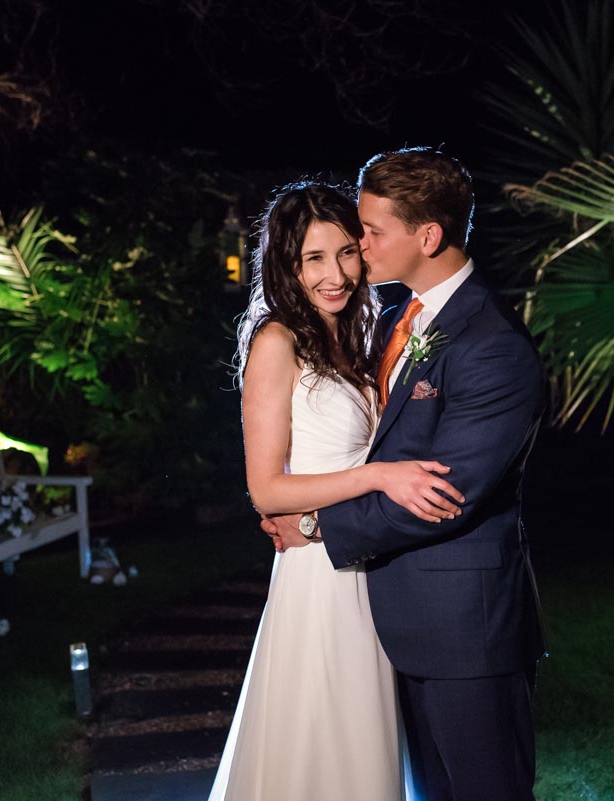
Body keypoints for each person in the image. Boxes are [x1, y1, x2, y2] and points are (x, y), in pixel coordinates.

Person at [263, 147, 547, 801]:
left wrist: (313, 522)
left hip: (466, 630)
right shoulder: (400, 318)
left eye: (371, 231)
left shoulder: (492, 345)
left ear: (429, 235)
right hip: (399, 621)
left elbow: (445, 495)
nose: (358, 245)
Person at [208, 181, 464, 801]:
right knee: (319, 746)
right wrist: (376, 477)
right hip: (318, 580)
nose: (337, 274)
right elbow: (266, 488)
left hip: (370, 565)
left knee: (364, 747)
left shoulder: (355, 338)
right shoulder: (278, 342)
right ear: (287, 267)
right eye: (314, 259)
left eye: (347, 252)